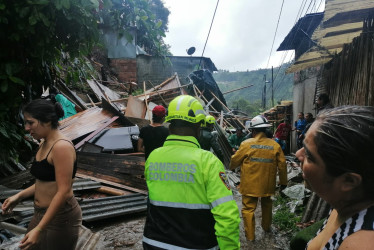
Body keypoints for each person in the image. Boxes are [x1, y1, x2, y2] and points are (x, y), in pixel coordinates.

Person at [142, 95, 240, 249]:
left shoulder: (153, 157)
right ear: (198, 126)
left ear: (170, 124)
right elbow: (227, 216)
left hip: (153, 244)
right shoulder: (209, 162)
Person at [2, 99, 81, 250]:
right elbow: (44, 182)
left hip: (60, 217)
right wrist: (19, 196)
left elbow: (63, 191)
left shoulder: (61, 147)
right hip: (40, 214)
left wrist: (39, 229)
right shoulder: (44, 143)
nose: (26, 128)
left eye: (30, 123)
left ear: (47, 120)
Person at [295, 106, 374, 249]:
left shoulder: (359, 243)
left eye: (309, 155)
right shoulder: (345, 204)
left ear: (348, 181)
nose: (298, 155)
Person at [230, 115, 287, 242]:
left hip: (250, 184)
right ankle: (266, 228)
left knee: (249, 209)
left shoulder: (246, 144)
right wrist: (283, 183)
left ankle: (250, 237)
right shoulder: (275, 145)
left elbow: (234, 161)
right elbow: (283, 166)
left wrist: (232, 166)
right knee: (267, 205)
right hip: (268, 184)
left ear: (253, 131)